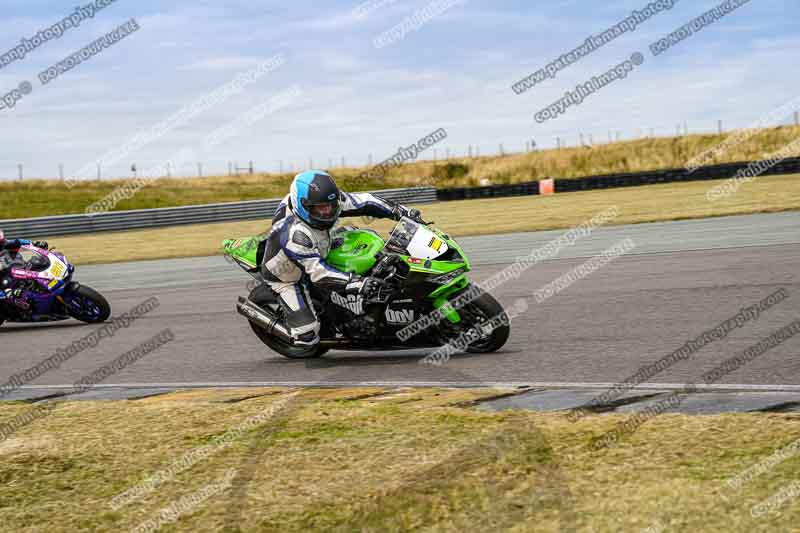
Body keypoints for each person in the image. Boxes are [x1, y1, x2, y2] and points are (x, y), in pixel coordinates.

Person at [261, 170, 424, 346]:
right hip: (289, 276)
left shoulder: (327, 201)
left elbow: (365, 201)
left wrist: (400, 211)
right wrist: (359, 283)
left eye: (331, 205)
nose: (327, 212)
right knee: (307, 337)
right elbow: (320, 274)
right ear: (304, 206)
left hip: (322, 242)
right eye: (321, 208)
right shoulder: (295, 234)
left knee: (371, 247)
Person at [0, 231, 49, 303]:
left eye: (2, 242)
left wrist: (35, 244)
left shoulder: (9, 244)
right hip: (8, 281)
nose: (3, 244)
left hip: (23, 271)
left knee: (36, 262)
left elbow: (18, 242)